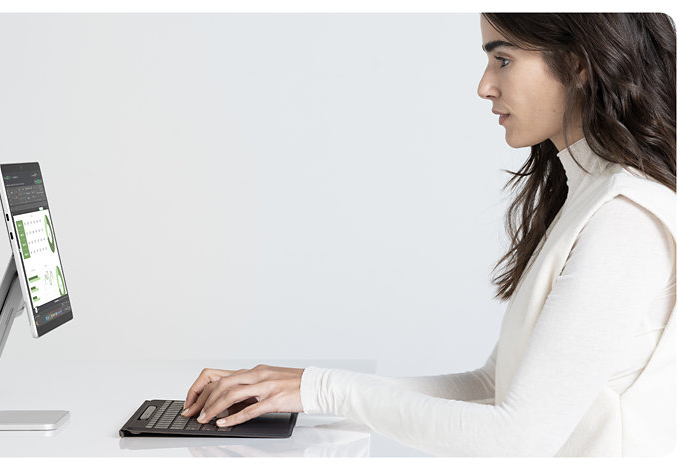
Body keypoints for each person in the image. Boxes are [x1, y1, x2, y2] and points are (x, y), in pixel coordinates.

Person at [179, 13, 677, 457]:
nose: (484, 86)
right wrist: (297, 393)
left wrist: (322, 389)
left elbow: (517, 437)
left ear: (579, 64)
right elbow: (491, 385)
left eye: (502, 60)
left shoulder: (624, 217)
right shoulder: (587, 199)